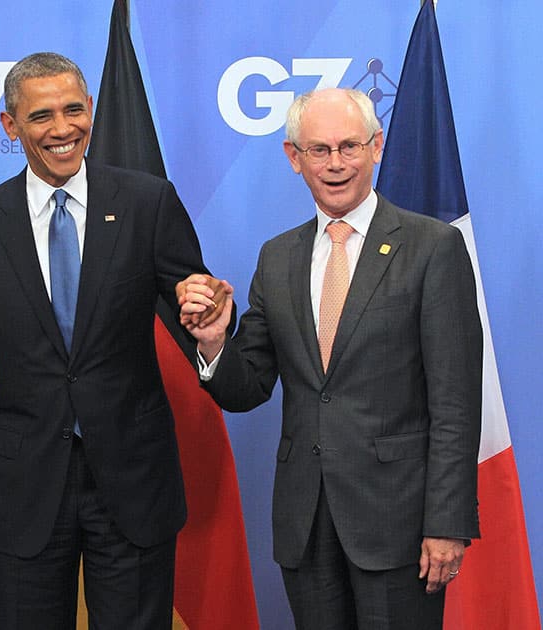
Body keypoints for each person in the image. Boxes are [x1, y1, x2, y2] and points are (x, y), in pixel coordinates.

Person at [0, 52, 228, 629]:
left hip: (132, 477)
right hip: (26, 484)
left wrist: (206, 311)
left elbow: (196, 301)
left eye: (73, 110)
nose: (62, 129)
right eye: (41, 116)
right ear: (11, 126)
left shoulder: (146, 201)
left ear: (92, 113)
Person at [181, 87, 482, 629]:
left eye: (349, 146)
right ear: (293, 158)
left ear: (376, 147)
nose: (336, 163)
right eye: (319, 150)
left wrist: (448, 522)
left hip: (401, 525)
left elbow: (456, 402)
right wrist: (212, 342)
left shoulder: (432, 247)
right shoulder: (278, 256)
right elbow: (246, 389)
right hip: (306, 524)